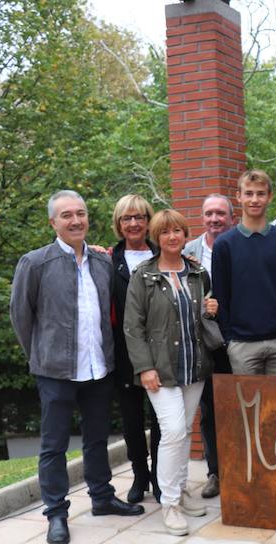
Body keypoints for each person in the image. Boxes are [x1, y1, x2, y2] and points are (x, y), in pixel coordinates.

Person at [10, 190, 144, 544]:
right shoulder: (35, 263)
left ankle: (101, 497)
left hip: (99, 368)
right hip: (55, 372)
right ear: (53, 222)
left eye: (80, 213)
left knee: (97, 439)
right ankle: (56, 512)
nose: (75, 220)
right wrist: (40, 355)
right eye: (66, 215)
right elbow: (21, 317)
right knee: (53, 446)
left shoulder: (102, 262)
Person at [124, 209, 219, 536]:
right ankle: (169, 503)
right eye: (165, 232)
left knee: (186, 431)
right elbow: (132, 327)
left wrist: (211, 309)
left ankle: (180, 490)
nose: (173, 237)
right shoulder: (143, 275)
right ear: (156, 236)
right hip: (159, 369)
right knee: (174, 430)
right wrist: (145, 367)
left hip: (194, 365)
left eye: (178, 230)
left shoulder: (197, 272)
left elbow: (204, 316)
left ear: (184, 234)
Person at [212, 170, 276, 375]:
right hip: (241, 344)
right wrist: (228, 339)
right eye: (249, 193)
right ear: (238, 196)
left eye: (260, 193)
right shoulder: (224, 244)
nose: (254, 199)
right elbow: (221, 295)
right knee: (247, 406)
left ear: (270, 197)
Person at [182, 193, 235, 499]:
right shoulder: (189, 252)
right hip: (203, 344)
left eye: (221, 214)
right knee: (210, 411)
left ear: (231, 218)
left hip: (237, 341)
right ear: (202, 219)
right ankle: (215, 472)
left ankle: (242, 467)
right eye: (209, 214)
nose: (215, 219)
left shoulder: (239, 247)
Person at [110, 194, 161, 503]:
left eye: (139, 217)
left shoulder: (164, 256)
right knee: (131, 420)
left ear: (148, 221)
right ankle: (139, 475)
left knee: (160, 419)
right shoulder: (107, 260)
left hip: (159, 351)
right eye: (127, 218)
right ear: (119, 224)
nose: (133, 223)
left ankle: (159, 477)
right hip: (123, 352)